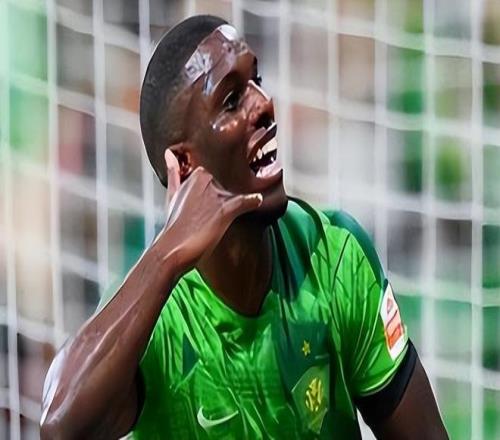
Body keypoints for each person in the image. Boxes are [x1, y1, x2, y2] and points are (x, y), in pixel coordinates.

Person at [40, 15, 448, 439]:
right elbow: (58, 426)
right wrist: (167, 252)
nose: (264, 103)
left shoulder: (335, 256)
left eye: (257, 80)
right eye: (232, 100)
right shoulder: (152, 316)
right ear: (185, 165)